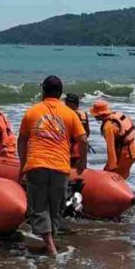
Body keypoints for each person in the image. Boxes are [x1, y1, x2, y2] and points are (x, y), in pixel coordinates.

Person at [18, 76, 88, 256]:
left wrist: (23, 164)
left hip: (37, 164)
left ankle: (49, 244)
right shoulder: (70, 114)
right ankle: (50, 241)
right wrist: (82, 162)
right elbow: (83, 140)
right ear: (60, 93)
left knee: (39, 205)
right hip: (60, 167)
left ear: (43, 91)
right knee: (56, 206)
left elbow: (22, 140)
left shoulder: (32, 112)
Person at [89, 99, 135, 180]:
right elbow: (131, 127)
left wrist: (112, 167)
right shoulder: (118, 115)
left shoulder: (108, 127)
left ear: (100, 114)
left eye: (95, 114)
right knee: (120, 177)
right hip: (133, 150)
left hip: (125, 154)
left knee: (113, 177)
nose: (94, 116)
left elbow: (110, 148)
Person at [64, 93, 91, 167]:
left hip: (71, 150)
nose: (65, 104)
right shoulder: (84, 114)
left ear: (70, 103)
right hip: (81, 149)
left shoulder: (69, 114)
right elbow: (87, 132)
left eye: (66, 102)